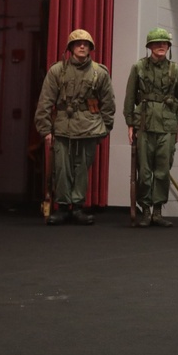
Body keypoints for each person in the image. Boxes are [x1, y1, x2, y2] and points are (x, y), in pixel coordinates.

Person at [34, 29, 116, 226]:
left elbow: (108, 103)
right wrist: (45, 130)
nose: (81, 46)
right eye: (77, 43)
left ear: (90, 48)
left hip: (89, 127)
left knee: (81, 169)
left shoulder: (99, 72)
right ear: (70, 47)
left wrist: (105, 129)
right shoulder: (57, 71)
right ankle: (62, 207)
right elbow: (45, 102)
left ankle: (78, 206)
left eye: (85, 44)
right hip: (63, 127)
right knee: (61, 169)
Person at [123, 28, 178, 228]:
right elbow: (129, 98)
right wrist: (130, 123)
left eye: (165, 43)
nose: (161, 46)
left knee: (162, 170)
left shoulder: (176, 70)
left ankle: (158, 211)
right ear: (150, 46)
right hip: (143, 123)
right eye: (157, 43)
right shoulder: (138, 68)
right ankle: (145, 210)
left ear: (168, 47)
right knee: (143, 171)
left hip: (167, 126)